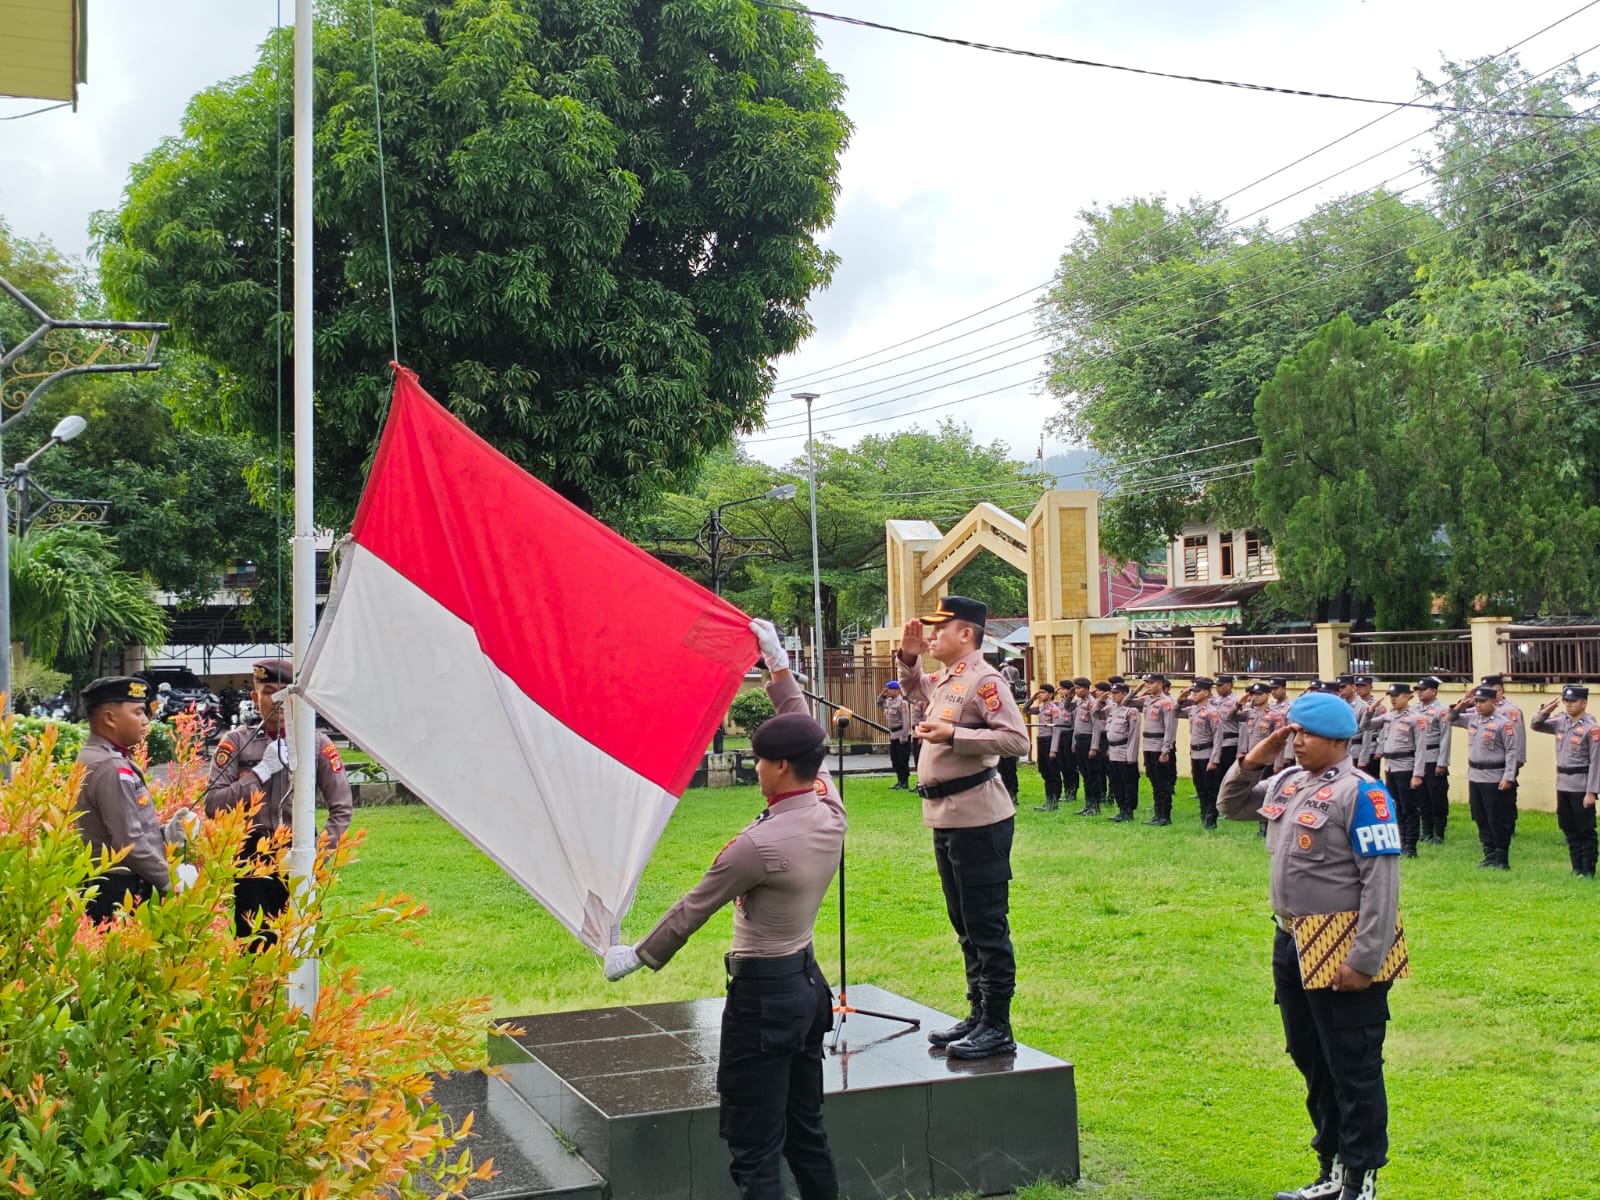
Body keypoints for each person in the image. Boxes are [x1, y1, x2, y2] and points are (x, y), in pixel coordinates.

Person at [604, 620, 843, 1200]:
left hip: (763, 1002)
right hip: (809, 988)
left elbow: (695, 907)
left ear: (780, 768)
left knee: (753, 1144)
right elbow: (805, 730)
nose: (754, 767)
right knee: (805, 1130)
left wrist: (634, 956)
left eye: (760, 760)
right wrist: (779, 670)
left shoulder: (757, 848)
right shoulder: (825, 802)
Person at [1218, 693, 1401, 1200]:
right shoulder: (1288, 781)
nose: (1297, 742)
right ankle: (1332, 1168)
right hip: (1292, 937)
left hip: (1340, 940)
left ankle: (1361, 1178)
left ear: (1341, 741)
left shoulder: (1363, 793)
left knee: (1353, 1062)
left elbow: (1381, 883)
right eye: (1293, 733)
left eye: (1308, 735)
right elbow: (1230, 806)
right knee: (1310, 1055)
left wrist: (1364, 959)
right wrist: (1255, 757)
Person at [898, 595, 1030, 1059]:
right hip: (946, 816)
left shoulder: (986, 680)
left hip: (979, 820)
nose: (932, 635)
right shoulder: (952, 678)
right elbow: (917, 691)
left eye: (940, 628)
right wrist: (910, 656)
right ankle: (978, 1012)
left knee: (986, 923)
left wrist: (956, 735)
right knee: (964, 923)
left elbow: (1017, 740)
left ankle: (997, 1025)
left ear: (967, 633)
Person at [203, 658, 354, 942]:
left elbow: (341, 807)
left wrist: (320, 855)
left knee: (303, 939)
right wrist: (259, 773)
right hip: (251, 853)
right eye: (269, 690)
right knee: (254, 941)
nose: (277, 699)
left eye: (285, 691)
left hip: (300, 847)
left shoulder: (317, 744)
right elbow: (213, 805)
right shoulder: (235, 743)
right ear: (254, 697)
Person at [74, 676, 188, 920]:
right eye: (138, 712)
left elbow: (119, 827)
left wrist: (166, 832)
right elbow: (129, 842)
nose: (146, 720)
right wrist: (172, 882)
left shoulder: (99, 756)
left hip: (107, 885)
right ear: (109, 718)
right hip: (119, 891)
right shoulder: (110, 766)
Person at [1447, 684, 1520, 869]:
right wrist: (1462, 704)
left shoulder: (1504, 724)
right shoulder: (1472, 719)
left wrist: (1508, 777)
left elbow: (1512, 752)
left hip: (1494, 777)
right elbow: (1450, 718)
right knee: (1480, 816)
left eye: (1482, 701)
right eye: (1476, 701)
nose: (1478, 705)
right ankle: (1489, 853)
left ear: (1493, 701)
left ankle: (1502, 857)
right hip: (1475, 776)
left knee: (1496, 818)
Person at [1530, 685, 1600, 878]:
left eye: (1573, 701)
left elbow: (1596, 762)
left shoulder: (1591, 728)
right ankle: (1576, 867)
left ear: (1584, 703)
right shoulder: (1561, 721)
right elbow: (1535, 725)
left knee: (1585, 829)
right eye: (1566, 701)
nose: (1568, 705)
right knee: (1569, 828)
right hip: (1563, 784)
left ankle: (1588, 869)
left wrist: (1591, 792)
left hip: (1581, 785)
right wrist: (1546, 710)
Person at [1358, 684, 1433, 858]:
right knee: (1396, 807)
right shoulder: (1389, 716)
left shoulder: (1416, 719)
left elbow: (1421, 749)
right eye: (1391, 695)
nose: (1393, 698)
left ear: (1408, 696)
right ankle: (1401, 841)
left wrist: (1417, 774)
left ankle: (1411, 846)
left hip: (1406, 767)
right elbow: (1365, 726)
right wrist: (1370, 710)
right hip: (1390, 766)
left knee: (1409, 808)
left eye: (1397, 695)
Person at [1129, 674, 1178, 826]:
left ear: (1160, 684)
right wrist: (1137, 689)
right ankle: (1157, 813)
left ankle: (1165, 815)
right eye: (1147, 683)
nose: (1148, 685)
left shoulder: (1167, 702)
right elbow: (1127, 702)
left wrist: (1165, 750)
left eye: (1151, 683)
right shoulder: (1147, 700)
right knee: (1154, 782)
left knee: (1163, 783)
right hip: (1148, 745)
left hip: (1159, 746)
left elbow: (1170, 728)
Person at [1177, 677, 1223, 829]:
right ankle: (1204, 815)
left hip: (1207, 753)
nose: (1194, 694)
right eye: (1193, 692)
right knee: (1200, 787)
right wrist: (1180, 700)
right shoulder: (1193, 709)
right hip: (1195, 754)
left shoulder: (1212, 712)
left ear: (1206, 692)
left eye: (1197, 692)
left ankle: (1211, 819)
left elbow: (1218, 737)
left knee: (1211, 788)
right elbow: (1175, 713)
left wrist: (1214, 759)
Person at [1412, 677, 1452, 844]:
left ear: (1434, 691)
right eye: (1418, 690)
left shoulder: (1441, 711)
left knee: (1436, 797)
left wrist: (1442, 762)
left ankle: (1438, 832)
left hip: (1433, 757)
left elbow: (1445, 738)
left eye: (1424, 689)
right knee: (1421, 796)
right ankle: (1426, 830)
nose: (1420, 692)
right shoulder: (1413, 710)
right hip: (1418, 758)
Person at [1102, 681, 1142, 822]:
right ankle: (1121, 809)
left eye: (1116, 693)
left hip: (1125, 752)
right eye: (1112, 693)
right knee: (1116, 782)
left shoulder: (1131, 711)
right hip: (1113, 751)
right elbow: (1095, 714)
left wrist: (1131, 756)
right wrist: (1100, 701)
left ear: (1125, 694)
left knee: (1128, 783)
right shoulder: (1112, 709)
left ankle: (1128, 811)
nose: (1113, 696)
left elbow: (1134, 735)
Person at [1024, 683, 1063, 812]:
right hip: (1041, 740)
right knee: (1044, 771)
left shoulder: (1054, 709)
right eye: (1040, 692)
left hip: (1050, 741)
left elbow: (1057, 730)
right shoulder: (1040, 707)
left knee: (1053, 772)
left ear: (1051, 694)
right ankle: (1048, 799)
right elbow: (1026, 710)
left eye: (1044, 692)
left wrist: (1053, 749)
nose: (1041, 695)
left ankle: (1054, 800)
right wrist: (1032, 698)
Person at [1073, 680, 1109, 816]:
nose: (1076, 691)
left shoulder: (1092, 703)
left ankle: (1095, 805)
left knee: (1092, 774)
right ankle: (1088, 804)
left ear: (1087, 689)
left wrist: (1094, 746)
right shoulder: (1079, 702)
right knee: (1085, 775)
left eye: (1079, 688)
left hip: (1089, 741)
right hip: (1080, 740)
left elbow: (1097, 726)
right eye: (1075, 688)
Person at [1054, 678, 1084, 812]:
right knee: (1062, 765)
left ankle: (1073, 791)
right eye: (1059, 689)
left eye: (1062, 689)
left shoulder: (1074, 703)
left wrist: (1073, 741)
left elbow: (1075, 722)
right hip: (1060, 734)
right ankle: (1067, 790)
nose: (1060, 691)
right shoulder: (1058, 704)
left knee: (1071, 765)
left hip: (1070, 733)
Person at [879, 680, 913, 791]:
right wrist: (882, 694)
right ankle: (899, 781)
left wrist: (904, 737)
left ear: (897, 690)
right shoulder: (888, 701)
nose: (888, 691)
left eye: (890, 689)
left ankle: (905, 782)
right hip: (893, 734)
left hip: (901, 734)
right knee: (895, 759)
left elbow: (906, 720)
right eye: (887, 689)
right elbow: (879, 702)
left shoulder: (902, 703)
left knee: (903, 760)